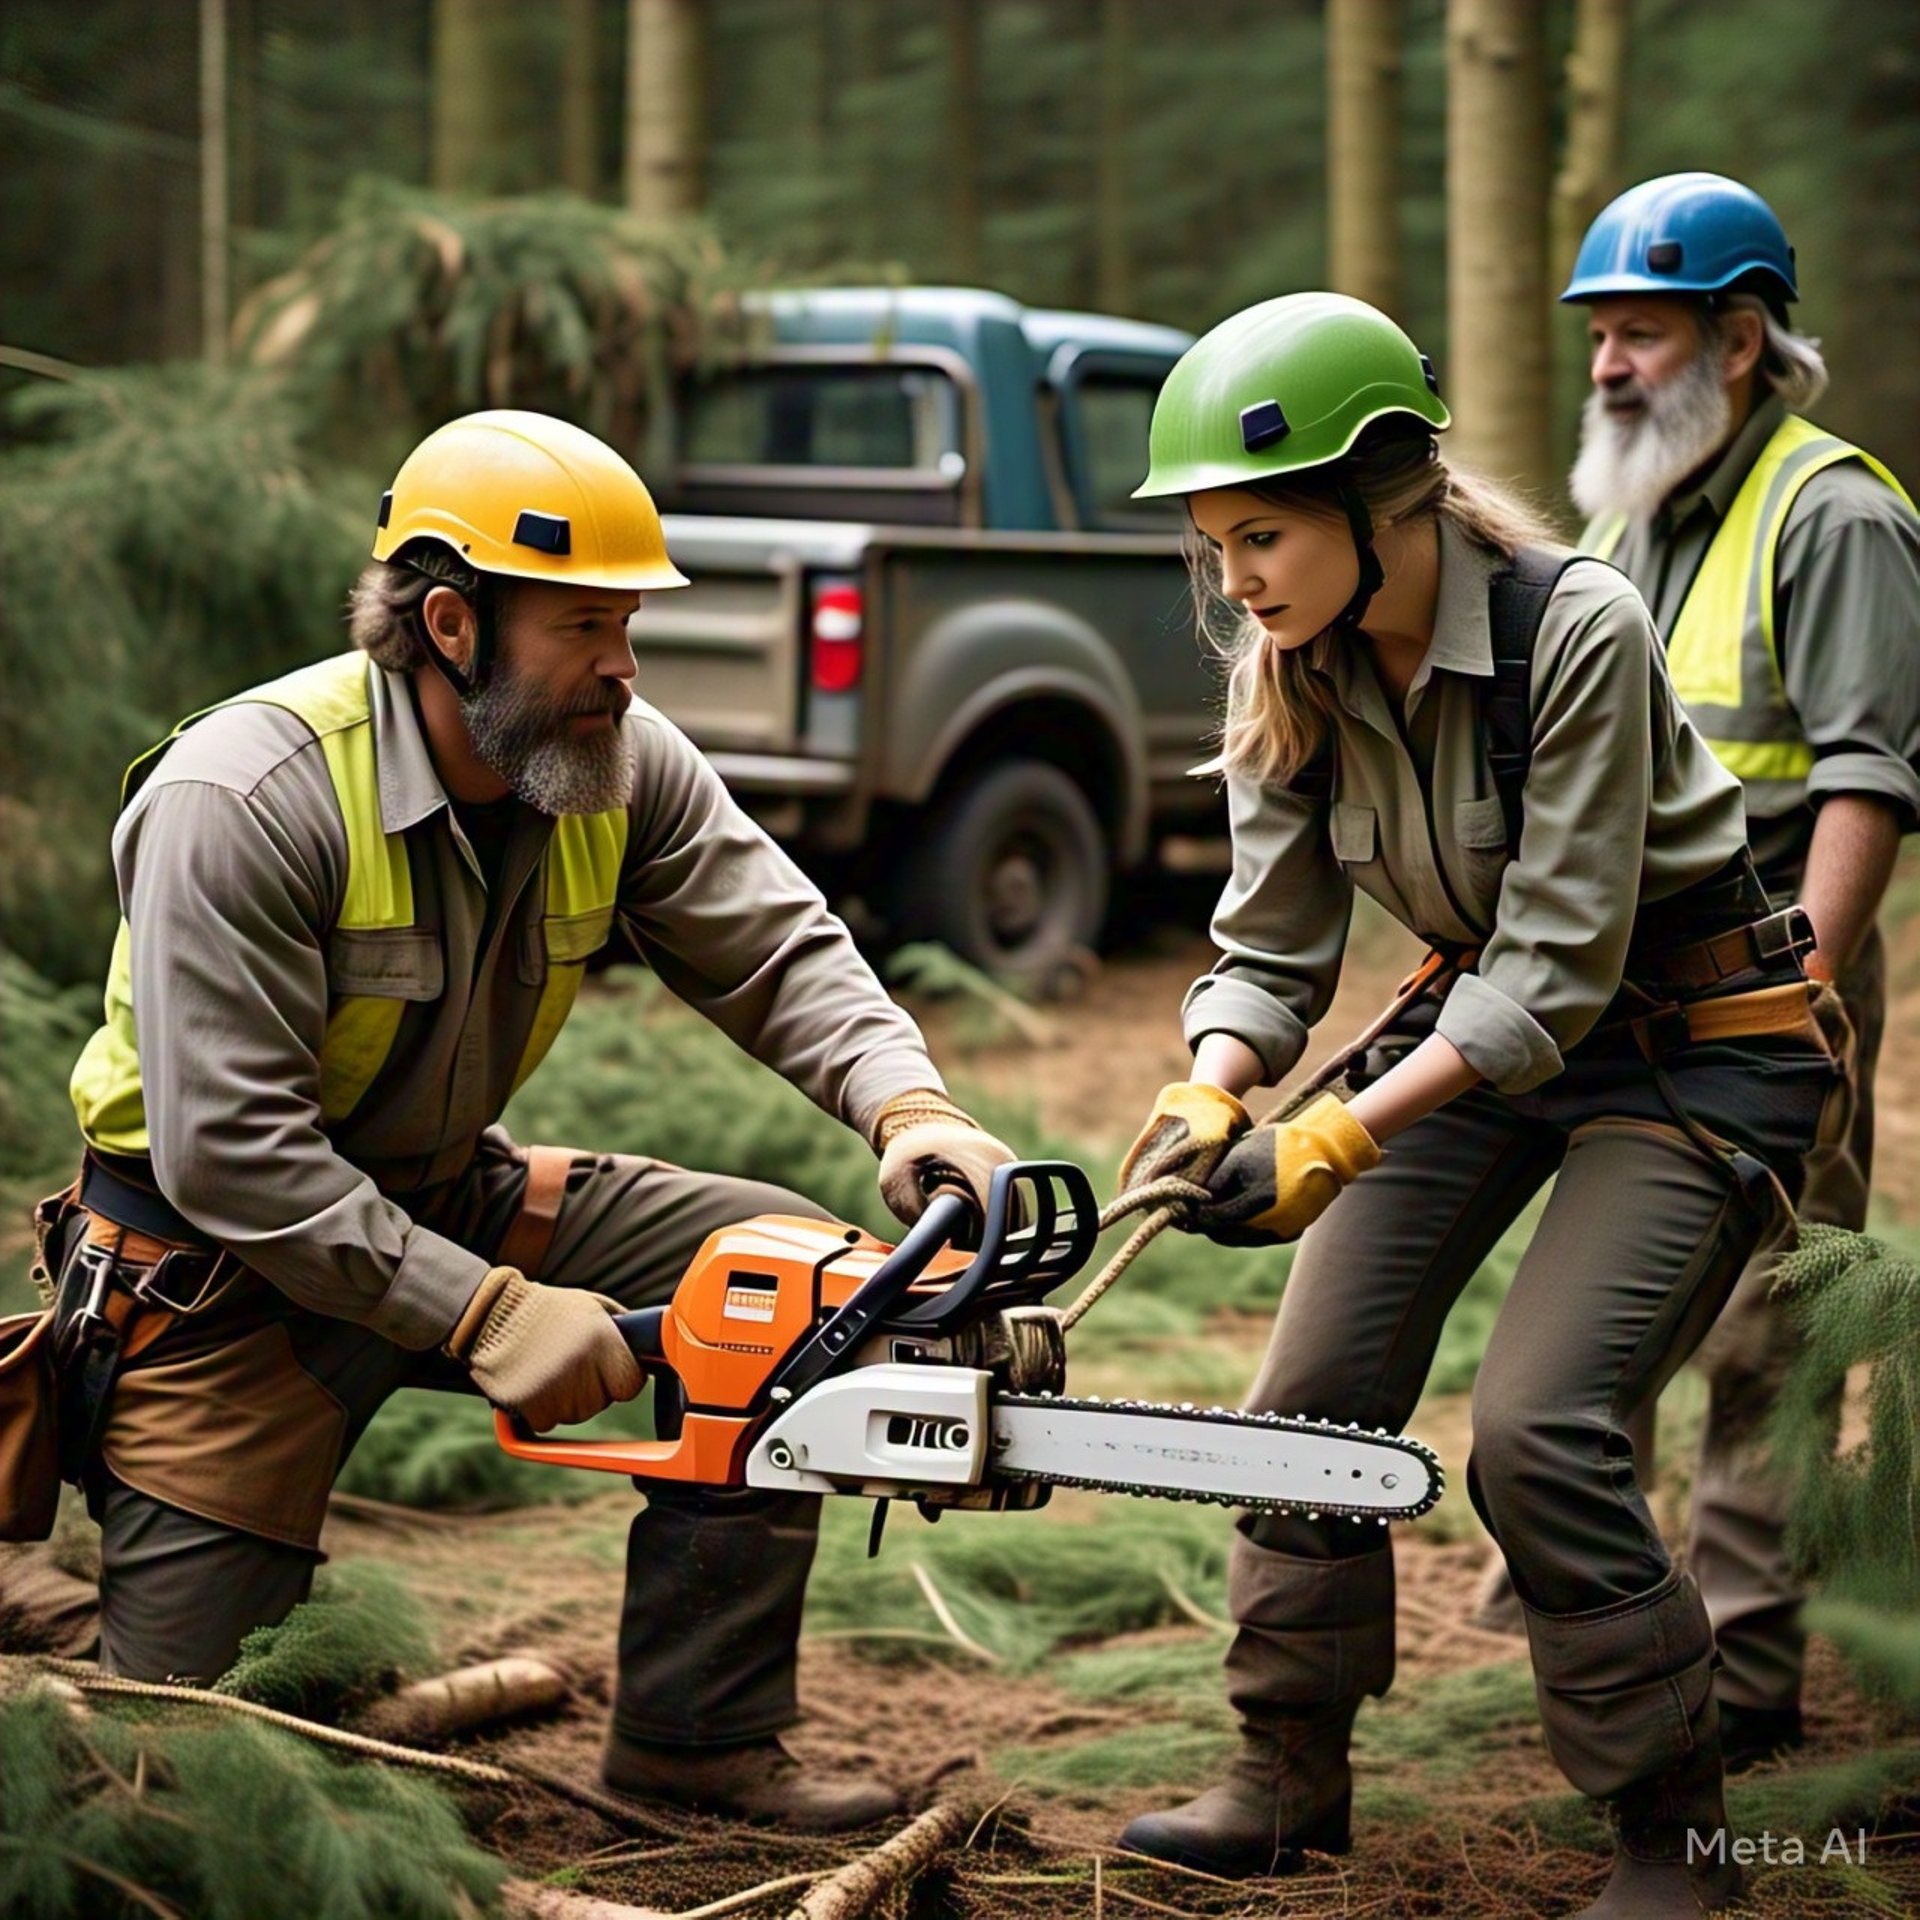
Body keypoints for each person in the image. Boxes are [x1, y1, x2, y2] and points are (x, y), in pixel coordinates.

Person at [47, 410, 1017, 1831]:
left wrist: (909, 1103)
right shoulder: (246, 798)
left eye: (627, 622)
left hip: (448, 1195)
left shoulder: (611, 756)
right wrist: (489, 1317)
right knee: (176, 1774)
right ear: (450, 623)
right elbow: (230, 1156)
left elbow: (777, 950)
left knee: (785, 1279)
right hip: (218, 1275)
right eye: (583, 627)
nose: (624, 665)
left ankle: (698, 1740)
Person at [1108, 293, 1839, 1918]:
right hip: (1481, 1038)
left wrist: (1342, 1132)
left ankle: (1678, 1841)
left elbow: (1559, 968)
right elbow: (1270, 945)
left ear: (1392, 499)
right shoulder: (1287, 664)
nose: (1236, 577)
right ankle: (1283, 1774)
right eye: (1215, 541)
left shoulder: (1576, 629)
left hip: (1696, 1045)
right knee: (1310, 1392)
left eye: (1265, 534)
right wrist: (1219, 1092)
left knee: (1542, 1430)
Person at [1556, 170, 1920, 1769]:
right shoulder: (1630, 509)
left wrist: (1812, 988)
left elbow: (1867, 775)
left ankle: (1753, 1677)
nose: (1608, 366)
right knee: (1607, 1310)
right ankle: (1615, 1630)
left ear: (1745, 337)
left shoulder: (1834, 511)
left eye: (1641, 334)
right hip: (1614, 980)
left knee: (1766, 1321)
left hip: (1778, 968)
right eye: (1600, 335)